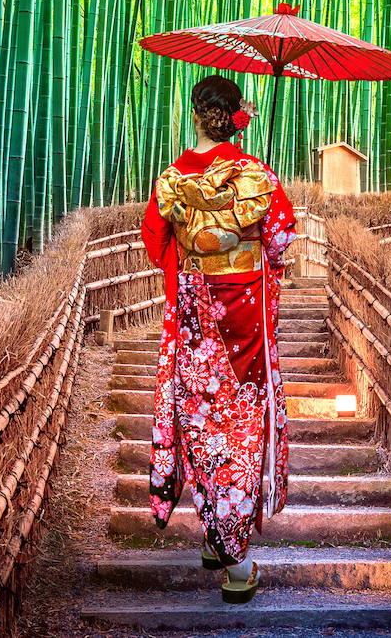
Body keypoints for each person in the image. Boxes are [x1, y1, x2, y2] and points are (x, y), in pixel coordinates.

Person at [139, 75, 296, 604]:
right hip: (243, 318)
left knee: (201, 417)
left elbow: (155, 244)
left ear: (194, 113)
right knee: (239, 425)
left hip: (193, 318)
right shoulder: (257, 175)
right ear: (236, 116)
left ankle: (214, 535)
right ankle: (237, 561)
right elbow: (277, 240)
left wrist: (197, 257)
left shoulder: (172, 178)